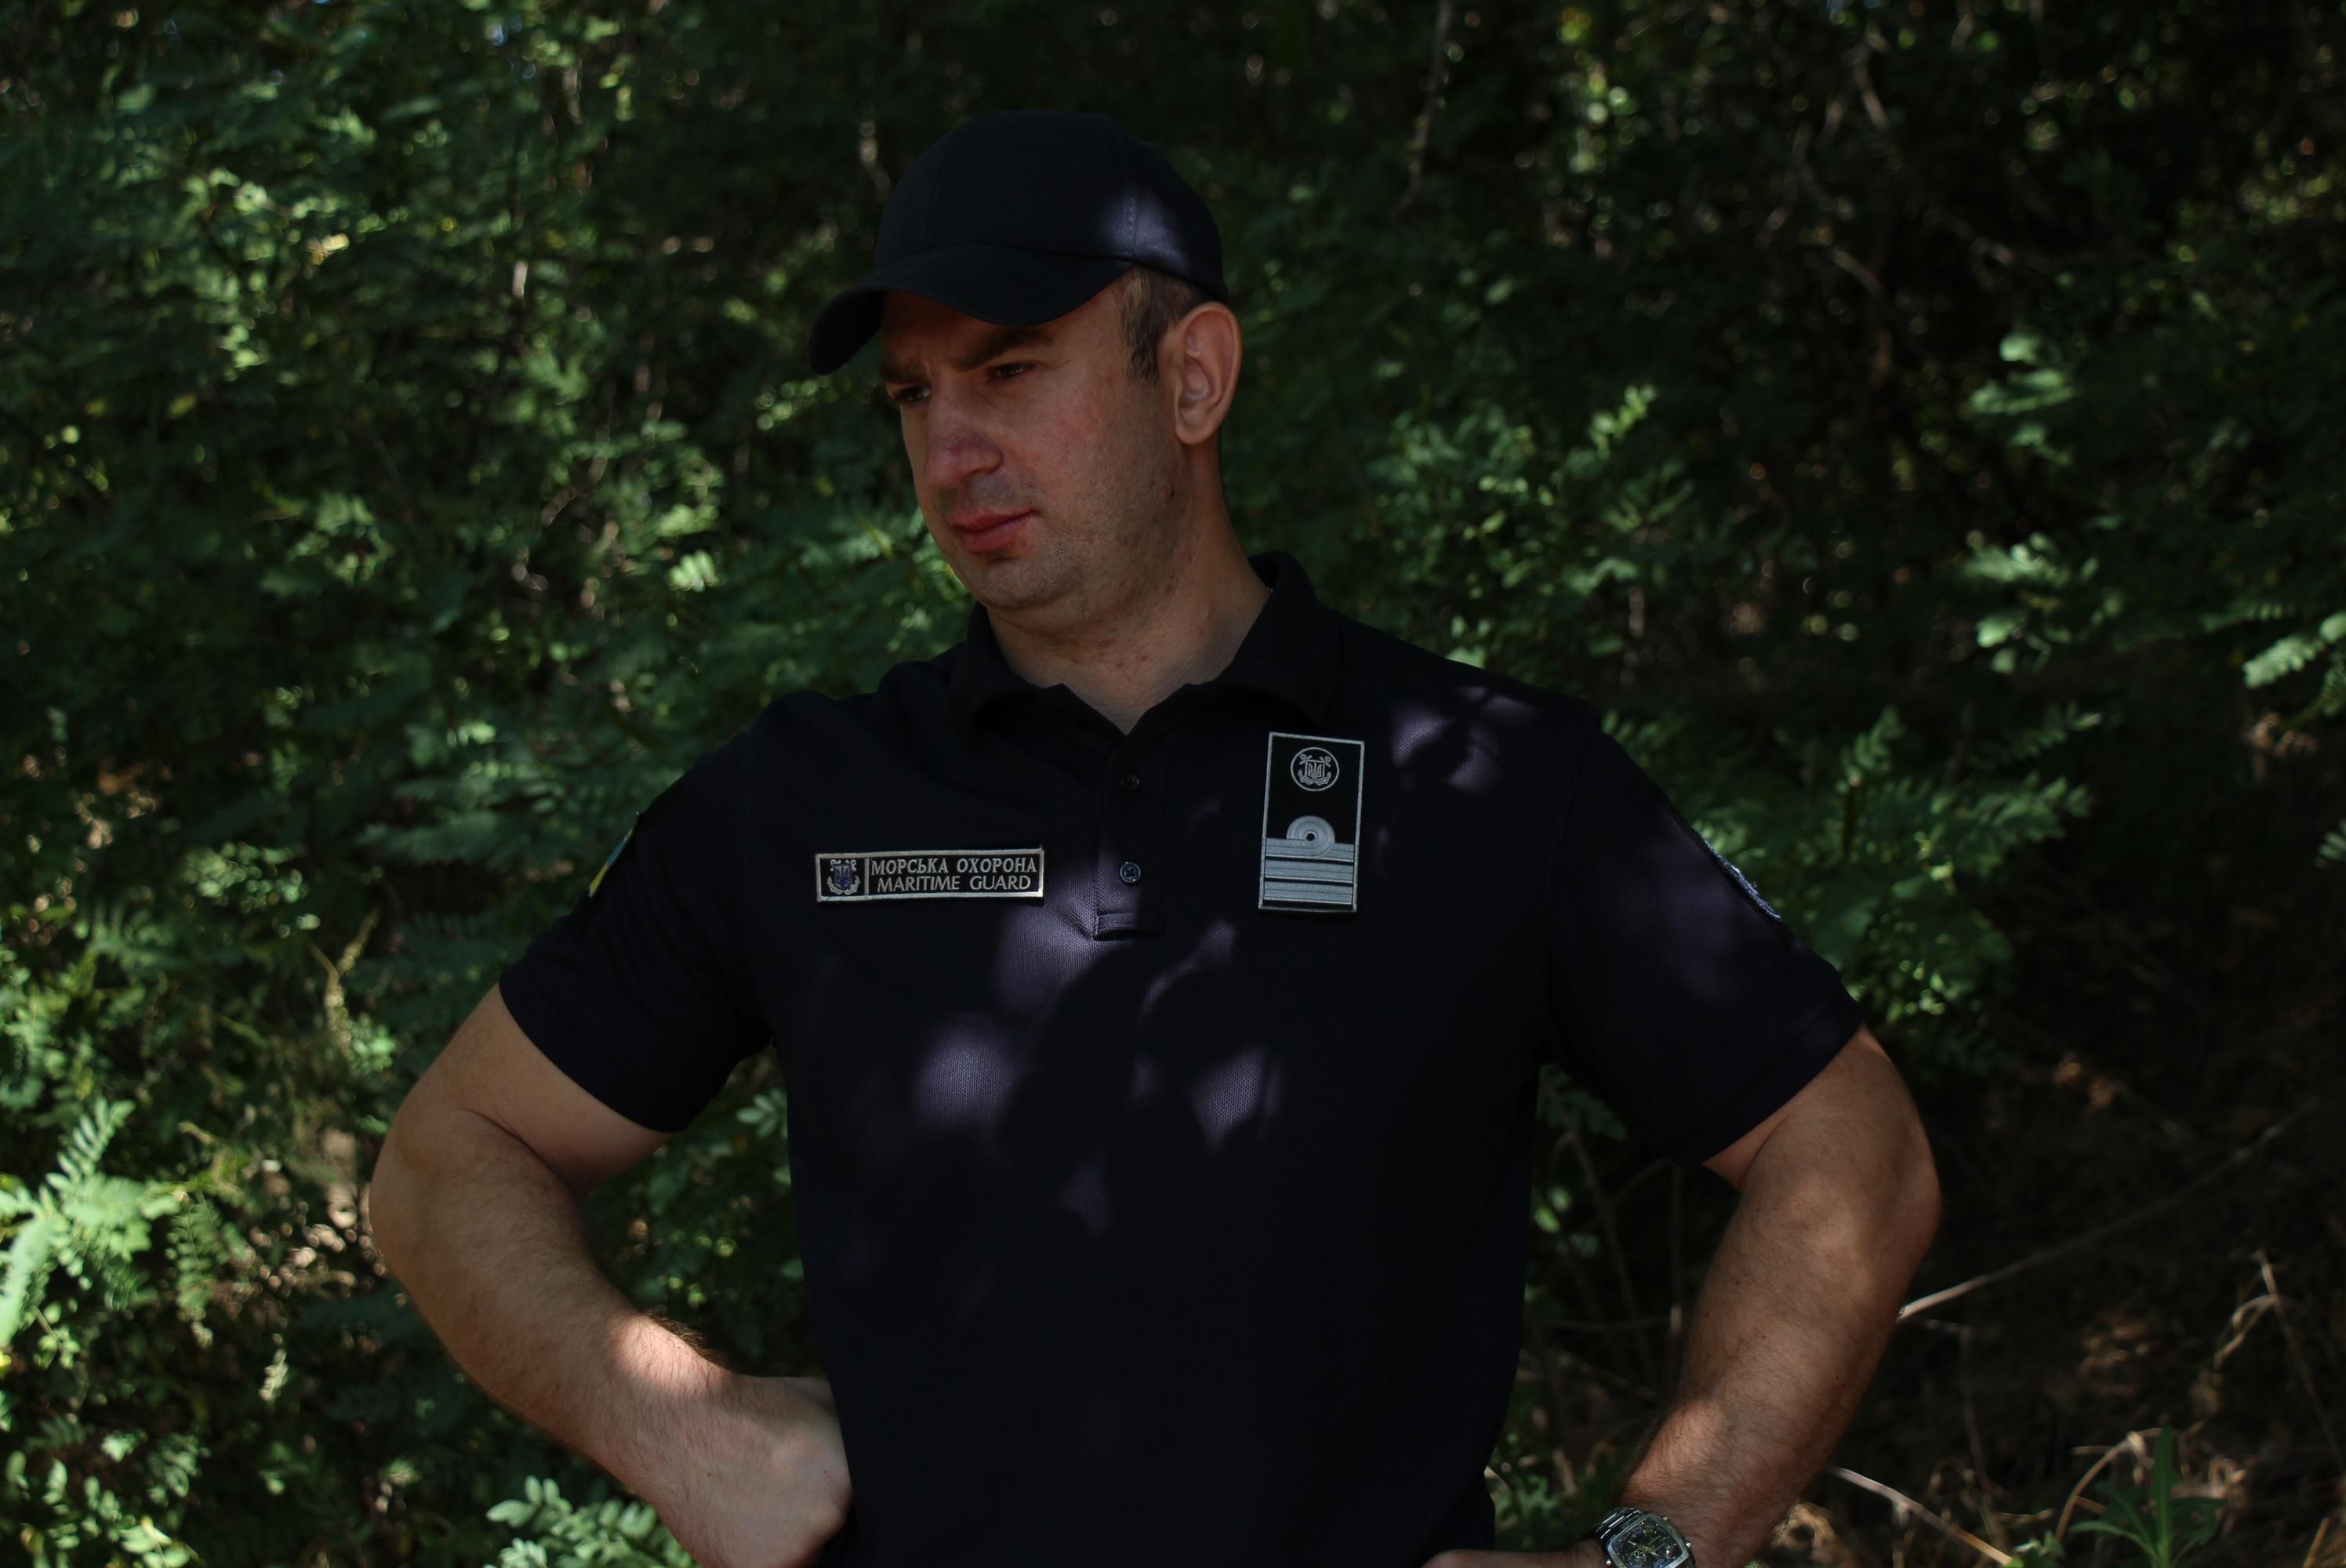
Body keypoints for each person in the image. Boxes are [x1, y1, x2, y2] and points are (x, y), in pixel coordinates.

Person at [366, 110, 1940, 1568]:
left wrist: (1650, 1550)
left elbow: (1852, 1148)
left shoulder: (1483, 783)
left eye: (1008, 372)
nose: (948, 451)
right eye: (913, 395)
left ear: (1194, 379)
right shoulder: (805, 804)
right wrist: (675, 1425)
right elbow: (446, 1162)